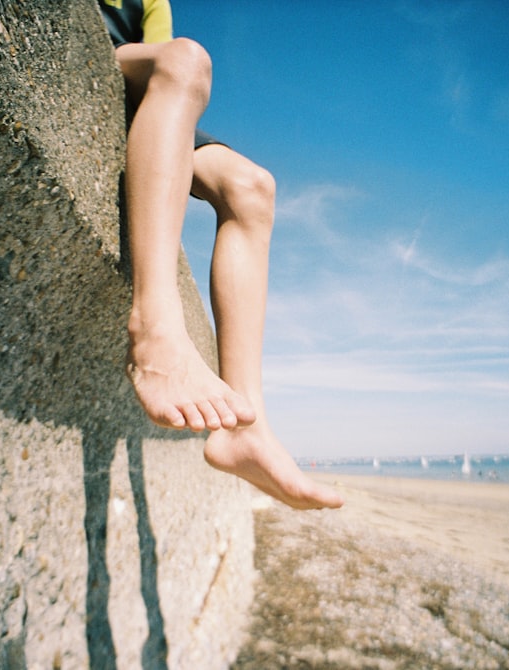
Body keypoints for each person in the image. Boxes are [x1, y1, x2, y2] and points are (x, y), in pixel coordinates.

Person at [97, 0, 343, 510]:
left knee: (254, 188)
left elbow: (155, 46)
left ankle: (246, 430)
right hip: (95, 51)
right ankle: (155, 328)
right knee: (187, 59)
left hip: (143, 83)